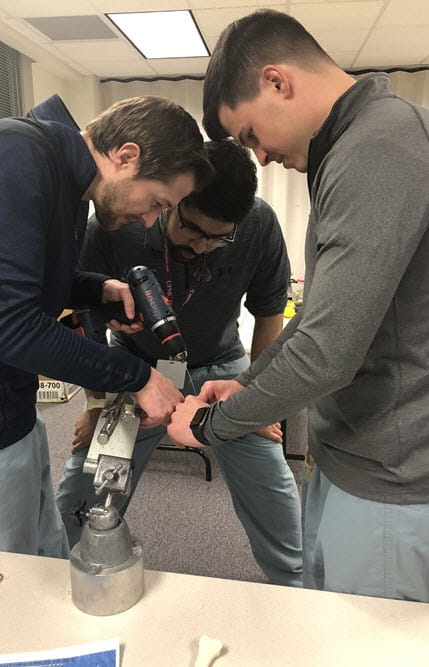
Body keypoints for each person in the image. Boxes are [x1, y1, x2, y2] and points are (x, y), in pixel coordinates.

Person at [167, 9, 429, 603]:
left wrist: (212, 425)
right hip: (354, 458)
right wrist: (247, 385)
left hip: (395, 480)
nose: (261, 157)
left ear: (277, 81)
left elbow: (325, 353)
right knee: (319, 615)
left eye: (249, 135)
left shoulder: (381, 148)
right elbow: (319, 318)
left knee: (361, 642)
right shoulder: (354, 145)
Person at [0, 94, 212, 558]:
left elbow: (21, 284)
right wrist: (138, 378)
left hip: (10, 407)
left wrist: (98, 290)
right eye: (156, 202)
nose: (149, 219)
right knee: (2, 580)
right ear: (126, 156)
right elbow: (8, 324)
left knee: (44, 556)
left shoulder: (69, 186)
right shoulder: (12, 156)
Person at [56, 139, 303, 586]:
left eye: (218, 237)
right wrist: (95, 404)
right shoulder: (116, 226)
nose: (203, 246)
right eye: (192, 231)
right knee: (86, 483)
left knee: (274, 489)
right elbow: (84, 319)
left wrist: (258, 399)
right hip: (136, 368)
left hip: (224, 369)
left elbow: (269, 316)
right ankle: (61, 572)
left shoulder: (258, 223)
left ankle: (299, 587)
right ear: (173, 199)